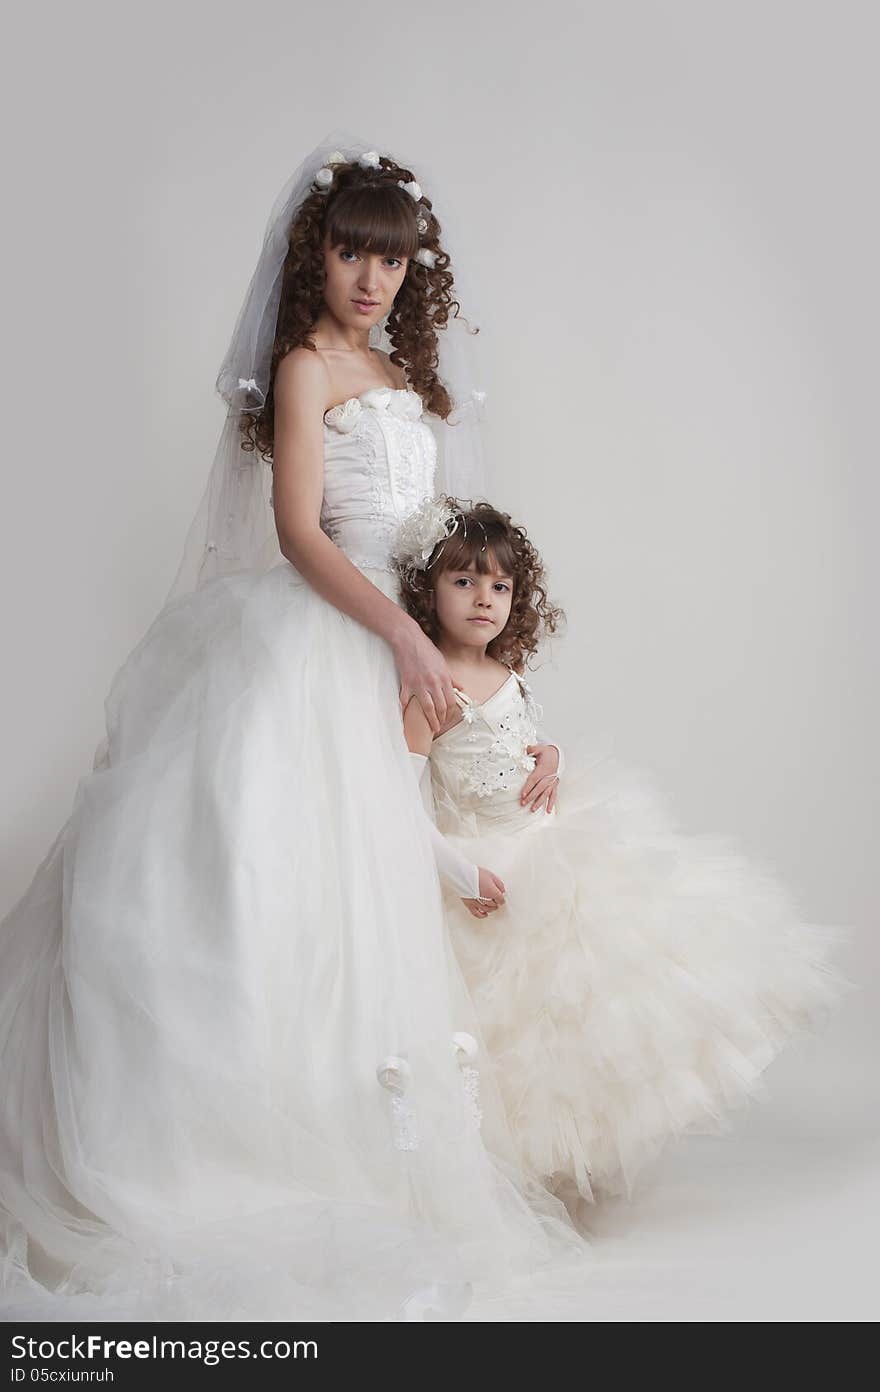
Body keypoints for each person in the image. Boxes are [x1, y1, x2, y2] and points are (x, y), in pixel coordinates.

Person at [0, 133, 587, 1322]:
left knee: (368, 898)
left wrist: (508, 712)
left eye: (392, 258)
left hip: (403, 649)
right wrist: (405, 638)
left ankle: (358, 1144)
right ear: (313, 258)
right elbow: (303, 536)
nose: (370, 278)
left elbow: (457, 570)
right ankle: (231, 1146)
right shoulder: (308, 370)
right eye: (349, 253)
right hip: (321, 636)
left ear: (414, 269)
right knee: (263, 881)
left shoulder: (413, 390)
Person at [398, 495, 844, 1211]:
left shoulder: (512, 676)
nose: (485, 599)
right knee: (514, 1031)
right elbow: (400, 802)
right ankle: (519, 1171)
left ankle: (580, 1157)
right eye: (464, 581)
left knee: (597, 999)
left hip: (552, 849)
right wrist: (460, 873)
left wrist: (555, 758)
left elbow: (526, 750)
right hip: (486, 870)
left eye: (501, 586)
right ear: (429, 591)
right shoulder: (429, 692)